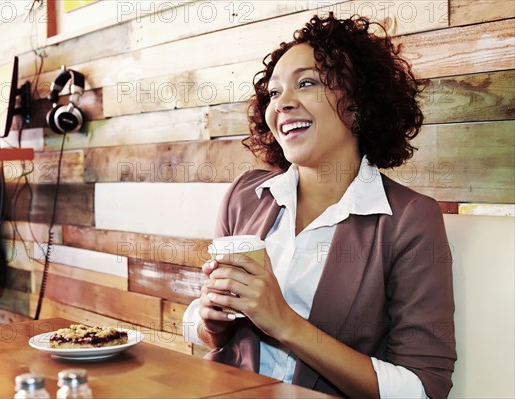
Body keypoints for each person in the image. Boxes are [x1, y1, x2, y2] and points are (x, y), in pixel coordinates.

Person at [182, 13, 457, 399]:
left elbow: (424, 388)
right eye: (274, 93)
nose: (283, 105)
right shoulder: (246, 195)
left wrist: (284, 323)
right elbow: (200, 324)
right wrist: (210, 320)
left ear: (358, 104)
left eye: (306, 83)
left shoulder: (408, 220)